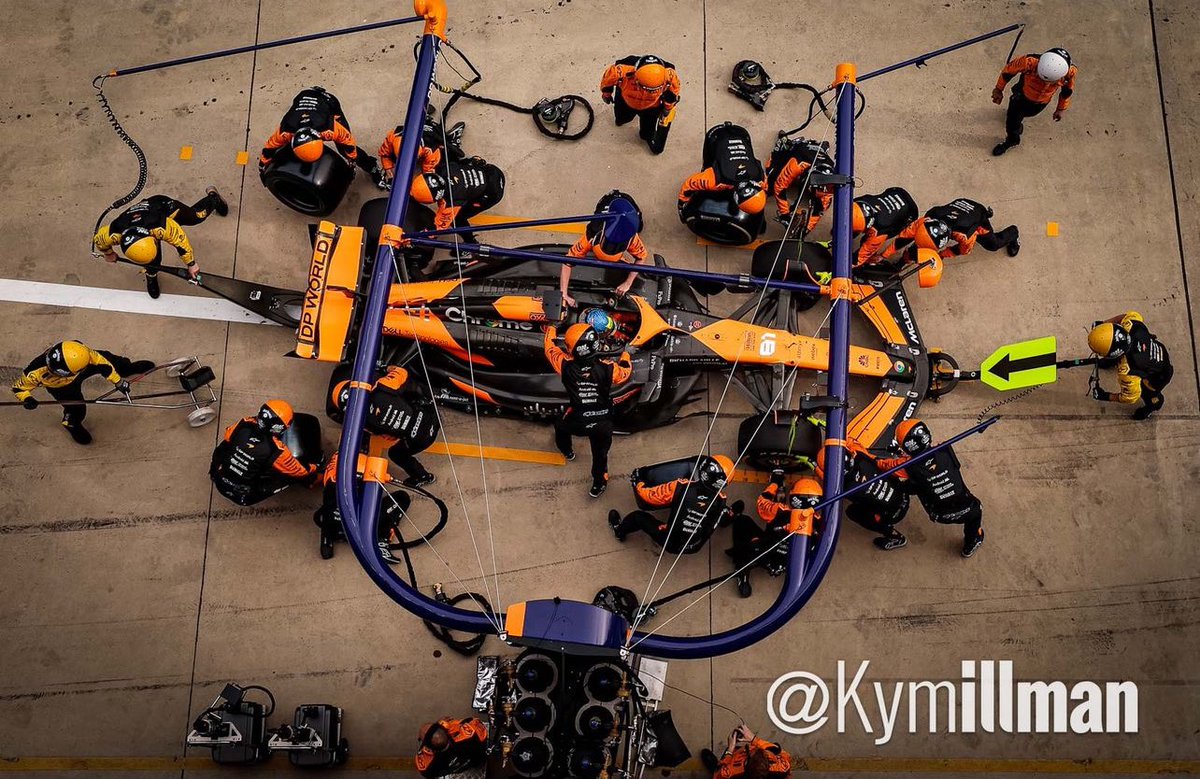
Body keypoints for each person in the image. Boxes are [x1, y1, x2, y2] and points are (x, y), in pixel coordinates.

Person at [544, 323, 632, 497]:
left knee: (560, 426)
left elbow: (549, 348)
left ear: (571, 349)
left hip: (577, 420)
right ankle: (599, 484)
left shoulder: (564, 365)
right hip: (603, 423)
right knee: (600, 455)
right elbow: (626, 373)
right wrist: (626, 354)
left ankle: (567, 452)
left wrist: (552, 327)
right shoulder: (609, 368)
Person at [11, 340, 154, 445]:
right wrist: (27, 398)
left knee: (112, 359)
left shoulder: (83, 353)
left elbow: (104, 365)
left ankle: (126, 369)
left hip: (80, 369)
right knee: (77, 408)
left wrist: (118, 381)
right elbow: (19, 388)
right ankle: (71, 422)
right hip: (61, 387)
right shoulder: (33, 373)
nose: (51, 369)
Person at [878, 419, 984, 558]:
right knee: (977, 511)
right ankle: (972, 542)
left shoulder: (906, 467)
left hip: (939, 515)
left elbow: (883, 465)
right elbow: (947, 465)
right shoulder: (945, 450)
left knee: (910, 485)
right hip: (968, 508)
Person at [92, 190, 228, 298]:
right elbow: (99, 241)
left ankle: (213, 199)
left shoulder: (163, 226)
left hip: (163, 207)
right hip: (141, 223)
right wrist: (108, 253)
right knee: (153, 262)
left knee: (197, 216)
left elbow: (181, 243)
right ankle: (151, 275)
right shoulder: (113, 232)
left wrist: (191, 264)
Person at [328, 364, 439, 487]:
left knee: (395, 454)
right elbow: (401, 372)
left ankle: (424, 476)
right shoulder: (382, 387)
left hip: (423, 440)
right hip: (433, 416)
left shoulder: (364, 424)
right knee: (406, 389)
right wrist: (387, 368)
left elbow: (388, 436)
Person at [609, 455, 736, 553]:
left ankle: (619, 531)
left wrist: (638, 481)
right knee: (720, 512)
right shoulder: (721, 500)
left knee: (638, 517)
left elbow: (650, 497)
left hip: (672, 542)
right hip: (695, 545)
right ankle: (729, 519)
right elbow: (711, 522)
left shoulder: (681, 487)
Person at [727, 471, 822, 597]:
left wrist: (774, 484)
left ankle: (742, 572)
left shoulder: (779, 510)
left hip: (766, 553)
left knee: (743, 520)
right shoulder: (821, 522)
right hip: (793, 562)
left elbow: (762, 502)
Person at [209, 400, 320, 506]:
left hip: (219, 478)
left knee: (225, 445)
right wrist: (314, 467)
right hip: (243, 494)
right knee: (291, 475)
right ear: (279, 428)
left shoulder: (244, 423)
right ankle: (312, 482)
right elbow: (299, 471)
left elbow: (228, 437)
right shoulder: (276, 450)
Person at [259, 86, 377, 174]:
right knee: (280, 148)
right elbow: (269, 148)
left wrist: (352, 160)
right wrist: (263, 165)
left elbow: (349, 144)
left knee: (343, 149)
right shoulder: (285, 131)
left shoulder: (330, 129)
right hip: (303, 96)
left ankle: (372, 168)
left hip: (327, 102)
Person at [312, 450, 407, 559]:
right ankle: (382, 540)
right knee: (402, 498)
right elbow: (371, 504)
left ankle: (327, 539)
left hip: (335, 529)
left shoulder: (333, 477)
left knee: (329, 511)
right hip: (362, 529)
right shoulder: (364, 482)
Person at [560, 191, 648, 307]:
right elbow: (567, 262)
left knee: (639, 225)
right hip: (606, 201)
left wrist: (628, 283)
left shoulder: (632, 238)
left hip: (627, 201)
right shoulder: (592, 234)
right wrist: (564, 293)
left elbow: (641, 257)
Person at [816, 441, 909, 550]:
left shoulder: (845, 488)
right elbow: (854, 444)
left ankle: (895, 537)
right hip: (904, 496)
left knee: (852, 512)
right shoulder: (861, 458)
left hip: (893, 515)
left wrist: (815, 467)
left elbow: (827, 481)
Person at [991, 48, 1077, 156]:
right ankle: (1012, 140)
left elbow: (1067, 91)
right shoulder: (1028, 62)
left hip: (1041, 104)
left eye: (1050, 81)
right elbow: (1008, 71)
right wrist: (998, 89)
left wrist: (1060, 109)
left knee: (1024, 115)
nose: (1044, 82)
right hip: (1020, 97)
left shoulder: (1070, 73)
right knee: (1012, 121)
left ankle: (1016, 124)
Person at [1088, 312, 1173, 420]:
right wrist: (1103, 324)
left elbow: (1129, 397)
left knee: (1149, 393)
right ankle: (1110, 361)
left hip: (1159, 375)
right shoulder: (1132, 325)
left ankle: (1152, 406)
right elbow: (1125, 316)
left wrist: (1106, 396)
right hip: (1157, 351)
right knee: (1122, 356)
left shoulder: (1128, 372)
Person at [678, 123, 766, 218]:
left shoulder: (761, 178)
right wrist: (682, 205)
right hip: (716, 138)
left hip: (741, 136)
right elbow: (689, 185)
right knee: (707, 165)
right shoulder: (714, 179)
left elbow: (766, 187)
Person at [409, 156, 506, 243]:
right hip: (492, 170)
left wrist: (416, 237)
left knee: (458, 219)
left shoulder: (452, 201)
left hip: (493, 192)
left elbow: (439, 227)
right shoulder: (442, 168)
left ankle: (471, 243)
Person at [600, 54, 680, 154]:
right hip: (626, 101)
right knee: (622, 118)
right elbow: (607, 81)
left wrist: (667, 108)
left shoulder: (670, 77)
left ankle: (646, 136)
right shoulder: (620, 71)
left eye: (653, 90)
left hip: (651, 107)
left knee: (646, 133)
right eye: (645, 88)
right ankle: (621, 120)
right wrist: (606, 94)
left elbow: (672, 94)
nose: (648, 92)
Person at [851, 188, 948, 266]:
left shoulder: (879, 232)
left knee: (867, 244)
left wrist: (883, 256)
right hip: (897, 192)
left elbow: (858, 259)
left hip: (907, 212)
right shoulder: (857, 202)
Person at [376, 110, 465, 189]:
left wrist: (414, 188)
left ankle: (452, 137)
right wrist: (388, 171)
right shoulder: (393, 135)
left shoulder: (431, 149)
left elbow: (429, 172)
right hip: (420, 129)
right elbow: (384, 153)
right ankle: (424, 115)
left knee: (446, 162)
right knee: (391, 157)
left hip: (435, 135)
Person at [765, 136, 835, 234]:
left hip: (817, 155)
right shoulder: (797, 165)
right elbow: (779, 187)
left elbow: (820, 209)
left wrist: (806, 229)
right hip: (800, 151)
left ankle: (819, 147)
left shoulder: (831, 181)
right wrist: (785, 213)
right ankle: (784, 145)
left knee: (824, 203)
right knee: (769, 183)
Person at [924, 198, 1020, 259]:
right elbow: (914, 228)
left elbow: (962, 250)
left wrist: (941, 255)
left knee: (993, 245)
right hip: (962, 207)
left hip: (978, 216)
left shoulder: (965, 235)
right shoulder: (931, 215)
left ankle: (1013, 233)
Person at [700, 725, 792, 778]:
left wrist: (730, 749)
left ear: (746, 762)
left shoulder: (731, 771)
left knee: (719, 768)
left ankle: (715, 766)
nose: (754, 748)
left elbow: (719, 776)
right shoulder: (783, 767)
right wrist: (754, 739)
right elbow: (782, 753)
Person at [415, 717, 488, 779]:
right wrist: (452, 724)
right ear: (446, 730)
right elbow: (474, 721)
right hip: (476, 760)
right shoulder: (471, 735)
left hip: (454, 771)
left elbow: (427, 773)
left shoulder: (426, 766)